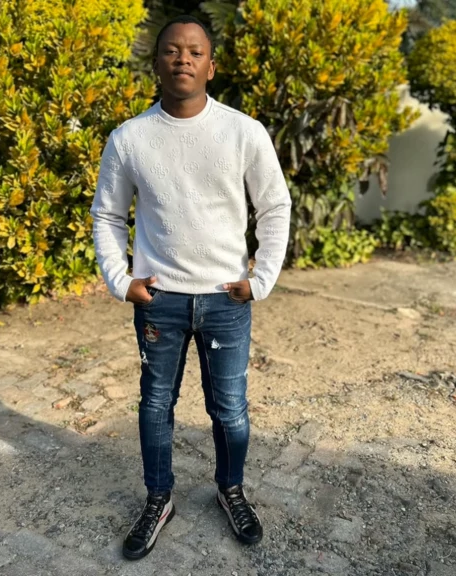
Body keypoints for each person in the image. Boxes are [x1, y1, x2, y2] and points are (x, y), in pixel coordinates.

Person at [89, 14, 292, 560]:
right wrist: (120, 280)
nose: (183, 58)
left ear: (211, 66)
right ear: (156, 63)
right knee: (155, 405)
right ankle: (159, 498)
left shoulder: (243, 132)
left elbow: (274, 205)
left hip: (226, 298)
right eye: (172, 50)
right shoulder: (129, 139)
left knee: (230, 409)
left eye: (195, 52)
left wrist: (261, 279)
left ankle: (231, 490)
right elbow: (107, 214)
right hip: (160, 300)